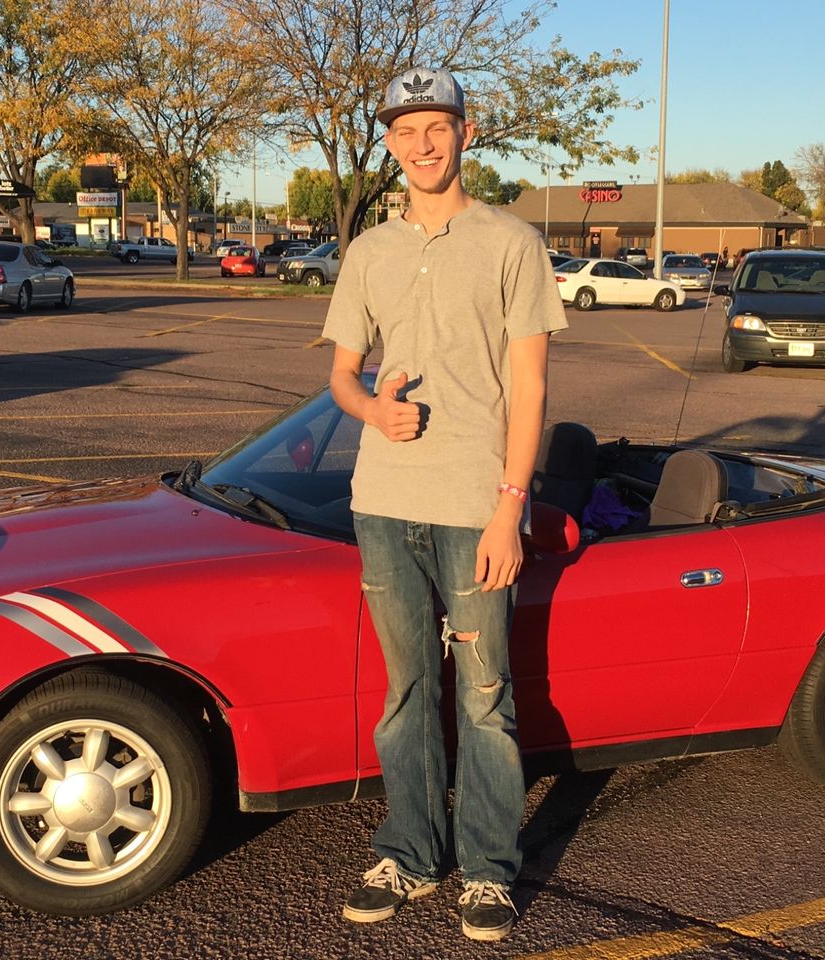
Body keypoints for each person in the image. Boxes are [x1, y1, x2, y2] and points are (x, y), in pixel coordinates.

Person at [321, 66, 568, 942]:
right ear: (388, 141)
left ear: (467, 132)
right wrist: (371, 409)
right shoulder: (370, 252)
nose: (422, 144)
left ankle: (490, 869)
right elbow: (341, 374)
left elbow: (531, 386)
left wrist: (510, 505)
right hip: (382, 502)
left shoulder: (511, 242)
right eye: (405, 129)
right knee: (405, 692)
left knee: (484, 693)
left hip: (474, 504)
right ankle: (411, 854)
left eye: (437, 126)